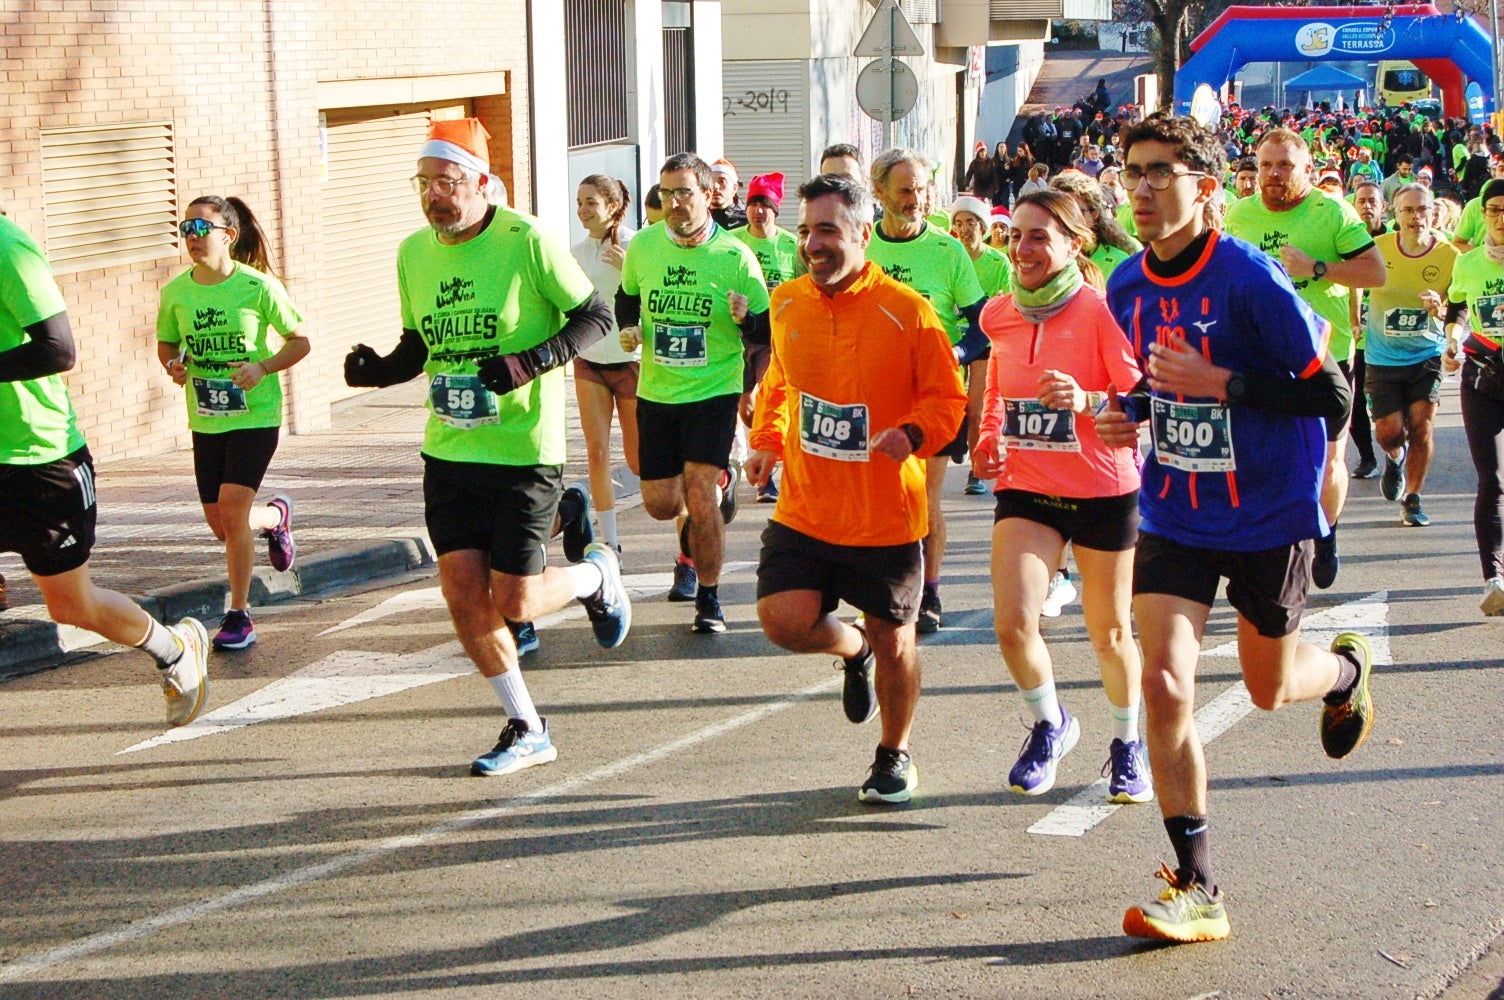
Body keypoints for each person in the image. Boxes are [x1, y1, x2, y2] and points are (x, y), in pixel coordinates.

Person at [1101, 114, 1375, 944]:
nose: (1143, 189)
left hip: (1268, 512)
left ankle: (1340, 670)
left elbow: (1328, 397)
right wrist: (1128, 415)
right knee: (1164, 685)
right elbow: (1152, 385)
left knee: (1263, 687)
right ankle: (1198, 885)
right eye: (1133, 172)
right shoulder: (1125, 286)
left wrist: (1227, 383)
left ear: (1206, 189)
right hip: (1177, 509)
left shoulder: (1251, 281)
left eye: (1161, 173)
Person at [342, 118, 630, 777]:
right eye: (423, 184)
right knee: (463, 594)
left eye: (446, 182)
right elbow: (420, 343)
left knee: (518, 600)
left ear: (479, 182)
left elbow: (595, 316)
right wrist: (380, 369)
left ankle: (596, 574)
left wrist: (529, 364)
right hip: (448, 448)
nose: (433, 196)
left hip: (522, 449)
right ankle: (527, 726)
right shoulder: (414, 252)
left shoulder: (526, 240)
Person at [745, 172, 965, 803]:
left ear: (863, 234)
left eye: (829, 231)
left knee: (899, 642)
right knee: (782, 621)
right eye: (807, 230)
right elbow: (780, 384)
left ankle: (894, 753)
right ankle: (852, 649)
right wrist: (766, 441)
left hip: (883, 514)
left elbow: (948, 398)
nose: (813, 243)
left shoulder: (908, 311)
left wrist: (915, 433)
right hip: (807, 507)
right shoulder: (787, 302)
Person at [2, 202, 210, 726]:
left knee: (70, 606)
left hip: (39, 460)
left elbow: (58, 349)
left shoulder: (10, 250)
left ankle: (175, 648)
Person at [973, 190, 1149, 802]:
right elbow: (998, 382)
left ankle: (1128, 744)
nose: (1022, 249)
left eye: (1039, 238)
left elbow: (1139, 403)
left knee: (1110, 635)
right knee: (1013, 624)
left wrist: (1088, 401)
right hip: (1028, 486)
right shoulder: (998, 314)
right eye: (1016, 236)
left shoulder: (1101, 312)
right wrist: (990, 432)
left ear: (1075, 244)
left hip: (1103, 488)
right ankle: (1052, 723)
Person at [1225, 128, 1387, 590]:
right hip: (1262, 354)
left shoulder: (1332, 211)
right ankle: (1261, 542)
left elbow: (1375, 272)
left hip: (1325, 356)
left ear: (1308, 171)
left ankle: (1328, 533)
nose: (1273, 176)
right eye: (1265, 166)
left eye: (1285, 166)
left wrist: (1317, 268)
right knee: (1257, 453)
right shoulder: (1240, 214)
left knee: (1329, 456)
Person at [617, 152, 771, 633]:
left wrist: (746, 317)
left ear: (708, 195)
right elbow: (627, 297)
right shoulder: (643, 246)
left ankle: (709, 599)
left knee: (700, 495)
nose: (675, 202)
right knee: (662, 503)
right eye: (667, 193)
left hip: (713, 391)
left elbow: (766, 333)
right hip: (658, 391)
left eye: (684, 192)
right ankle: (716, 487)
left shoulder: (735, 257)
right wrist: (628, 328)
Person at [155, 196, 309, 650]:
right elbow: (166, 344)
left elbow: (299, 341)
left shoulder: (258, 287)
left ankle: (239, 614)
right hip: (206, 418)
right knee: (221, 524)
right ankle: (277, 516)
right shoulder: (176, 292)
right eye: (186, 229)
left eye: (202, 228)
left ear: (228, 235)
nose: (193, 238)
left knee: (233, 511)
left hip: (255, 416)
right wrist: (173, 366)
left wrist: (262, 367)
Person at [866, 148, 987, 633]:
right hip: (873, 394)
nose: (917, 199)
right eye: (906, 190)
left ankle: (930, 592)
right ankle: (881, 587)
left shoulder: (947, 250)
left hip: (933, 396)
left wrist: (951, 356)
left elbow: (981, 328)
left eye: (922, 189)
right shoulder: (863, 246)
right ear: (880, 194)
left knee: (925, 497)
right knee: (880, 495)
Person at [1367, 183, 1458, 528]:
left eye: (1423, 210)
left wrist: (1441, 308)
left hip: (1427, 355)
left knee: (1422, 427)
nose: (1416, 217)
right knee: (1389, 432)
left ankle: (1413, 498)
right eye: (1408, 210)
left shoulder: (1449, 256)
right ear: (1395, 214)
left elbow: (1459, 309)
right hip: (1382, 356)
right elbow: (1358, 282)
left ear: (1433, 213)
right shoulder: (1378, 248)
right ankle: (1394, 457)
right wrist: (1352, 319)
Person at [571, 174, 640, 559]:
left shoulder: (636, 246)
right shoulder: (575, 253)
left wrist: (630, 268)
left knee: (638, 461)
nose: (582, 211)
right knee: (597, 453)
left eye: (591, 203)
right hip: (590, 362)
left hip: (629, 362)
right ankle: (610, 543)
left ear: (612, 206)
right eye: (579, 202)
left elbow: (654, 292)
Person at [1444, 177, 1504, 615]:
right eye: (1495, 211)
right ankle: (1494, 577)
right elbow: (1458, 307)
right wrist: (1452, 338)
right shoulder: (1468, 264)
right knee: (1492, 480)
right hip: (1483, 379)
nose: (1501, 219)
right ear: (1483, 217)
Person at [731, 172, 804, 504]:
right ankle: (756, 462)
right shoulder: (732, 243)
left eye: (765, 205)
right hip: (734, 338)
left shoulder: (791, 246)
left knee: (764, 400)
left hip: (775, 339)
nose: (758, 211)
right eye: (753, 204)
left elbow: (808, 288)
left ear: (776, 209)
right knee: (744, 407)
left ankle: (767, 477)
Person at [950, 195, 1012, 497]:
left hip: (985, 342)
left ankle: (976, 471)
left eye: (971, 223)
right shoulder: (949, 256)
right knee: (951, 406)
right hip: (953, 339)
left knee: (977, 409)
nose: (964, 229)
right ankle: (956, 436)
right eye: (959, 223)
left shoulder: (998, 262)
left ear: (983, 227)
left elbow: (1006, 303)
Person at [1348, 180, 1388, 479]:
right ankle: (1367, 457)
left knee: (1390, 402)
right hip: (1357, 335)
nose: (1367, 206)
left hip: (1390, 337)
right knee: (1354, 400)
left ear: (1383, 206)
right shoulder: (1345, 240)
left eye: (1373, 201)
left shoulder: (1393, 241)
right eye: (1361, 201)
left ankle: (1397, 452)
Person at [710, 158, 748, 230]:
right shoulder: (699, 220)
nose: (715, 186)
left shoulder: (746, 222)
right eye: (711, 181)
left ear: (735, 188)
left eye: (722, 181)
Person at [963, 141, 999, 206]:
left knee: (986, 203)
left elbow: (994, 175)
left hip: (988, 187)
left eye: (984, 152)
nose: (982, 153)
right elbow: (969, 174)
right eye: (981, 152)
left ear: (986, 152)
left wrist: (996, 187)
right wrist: (967, 185)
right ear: (978, 153)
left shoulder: (990, 162)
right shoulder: (974, 163)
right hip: (978, 187)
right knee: (978, 204)